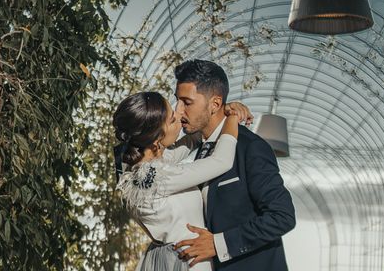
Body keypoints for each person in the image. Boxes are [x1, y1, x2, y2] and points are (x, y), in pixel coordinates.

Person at [172, 59, 296, 270]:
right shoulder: (202, 150)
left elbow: (282, 216)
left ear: (215, 104)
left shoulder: (250, 147)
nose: (179, 110)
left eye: (187, 102)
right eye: (177, 101)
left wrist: (218, 244)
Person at [113, 91, 253, 271]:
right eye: (172, 119)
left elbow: (189, 142)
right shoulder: (160, 177)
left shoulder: (139, 170)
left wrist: (210, 112)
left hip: (166, 258)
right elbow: (221, 161)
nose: (179, 116)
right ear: (157, 139)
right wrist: (233, 117)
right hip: (187, 261)